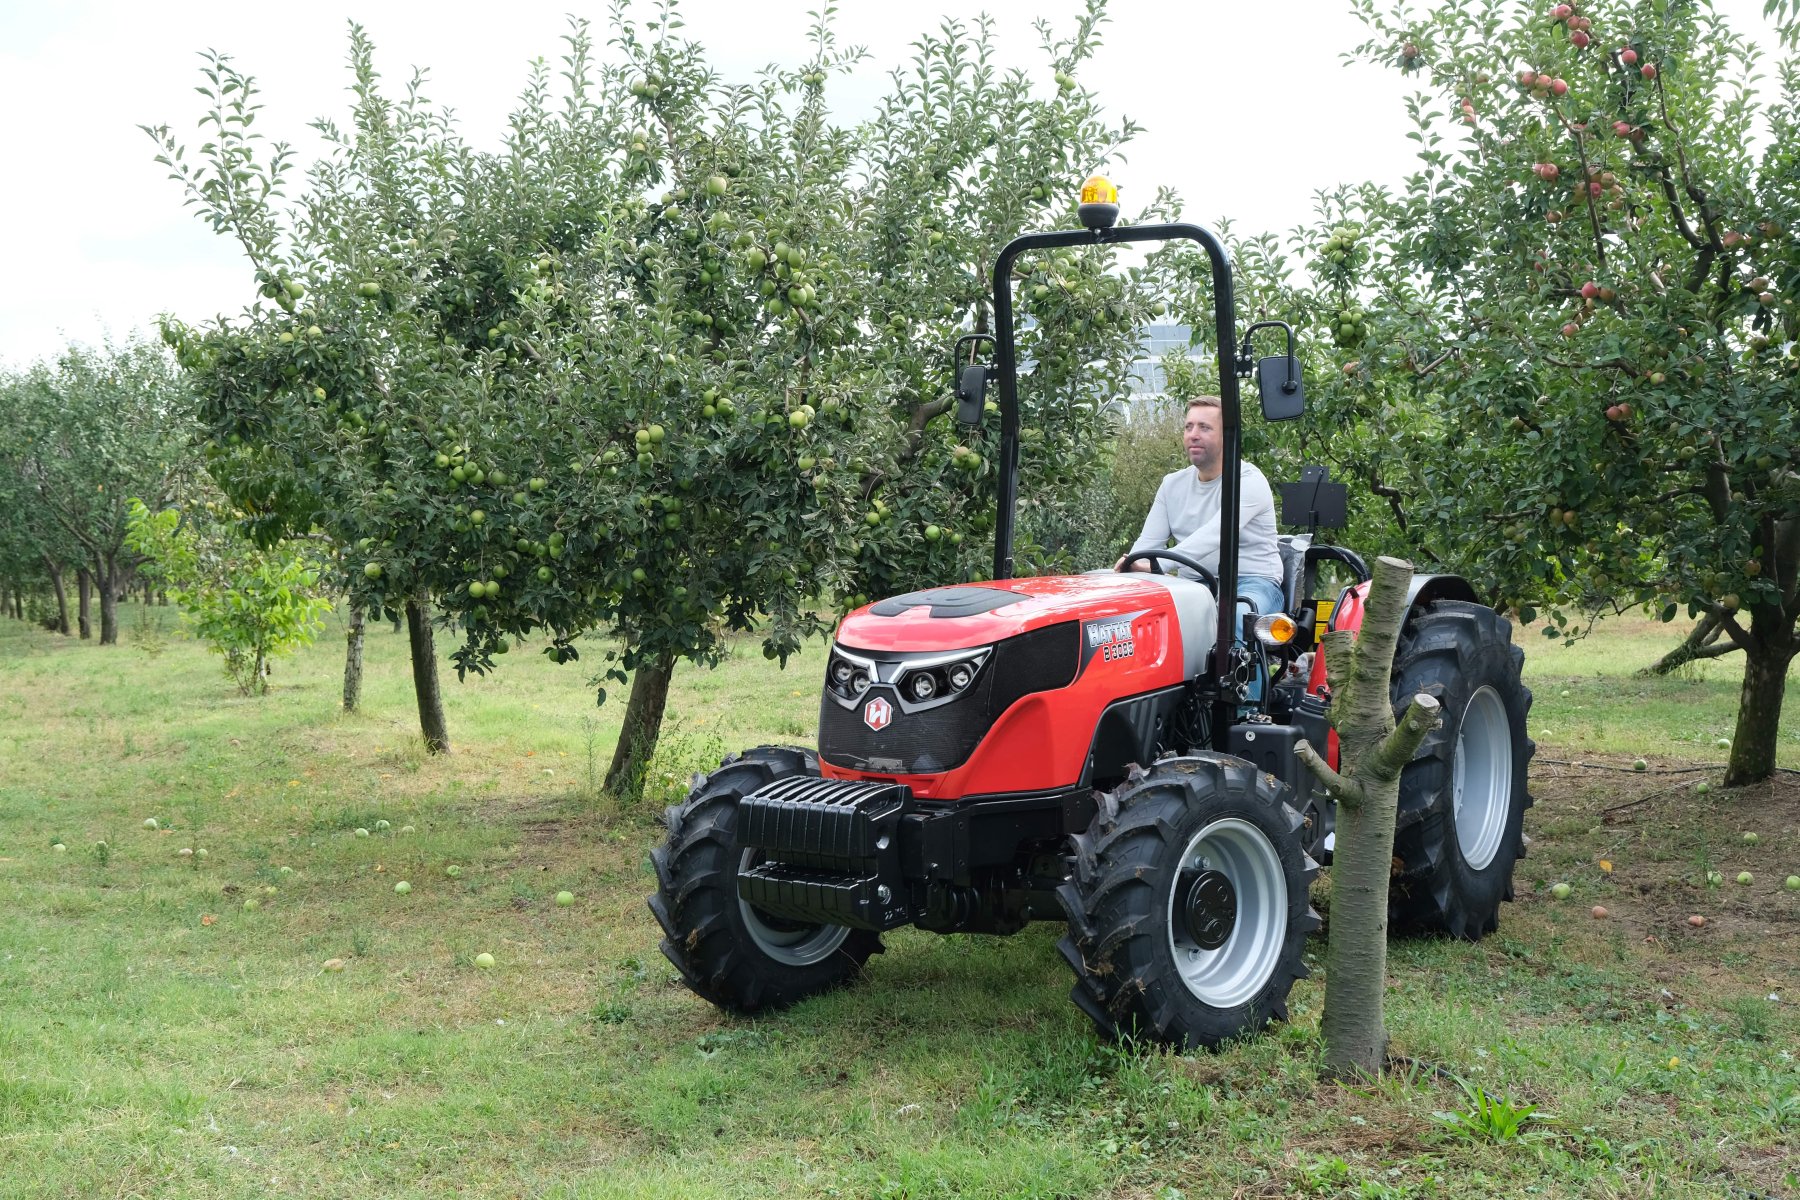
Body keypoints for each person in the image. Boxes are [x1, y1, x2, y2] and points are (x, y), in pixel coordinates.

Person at [1114, 395, 1287, 622]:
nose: (1193, 434)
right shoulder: (1172, 484)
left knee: (1232, 618)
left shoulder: (1248, 481)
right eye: (1189, 427)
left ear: (1227, 436)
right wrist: (1130, 566)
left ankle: (1243, 658)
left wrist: (1155, 565)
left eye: (1205, 427)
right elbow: (1146, 545)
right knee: (1137, 617)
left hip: (1250, 582)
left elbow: (1214, 535)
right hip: (1192, 586)